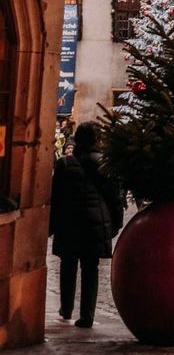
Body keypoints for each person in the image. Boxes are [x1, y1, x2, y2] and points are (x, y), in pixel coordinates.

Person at [49, 120, 124, 328]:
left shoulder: (64, 164)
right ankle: (87, 316)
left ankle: (66, 308)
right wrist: (115, 223)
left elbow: (55, 198)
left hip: (69, 222)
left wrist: (51, 226)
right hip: (95, 221)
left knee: (68, 265)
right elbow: (114, 198)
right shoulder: (103, 163)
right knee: (91, 269)